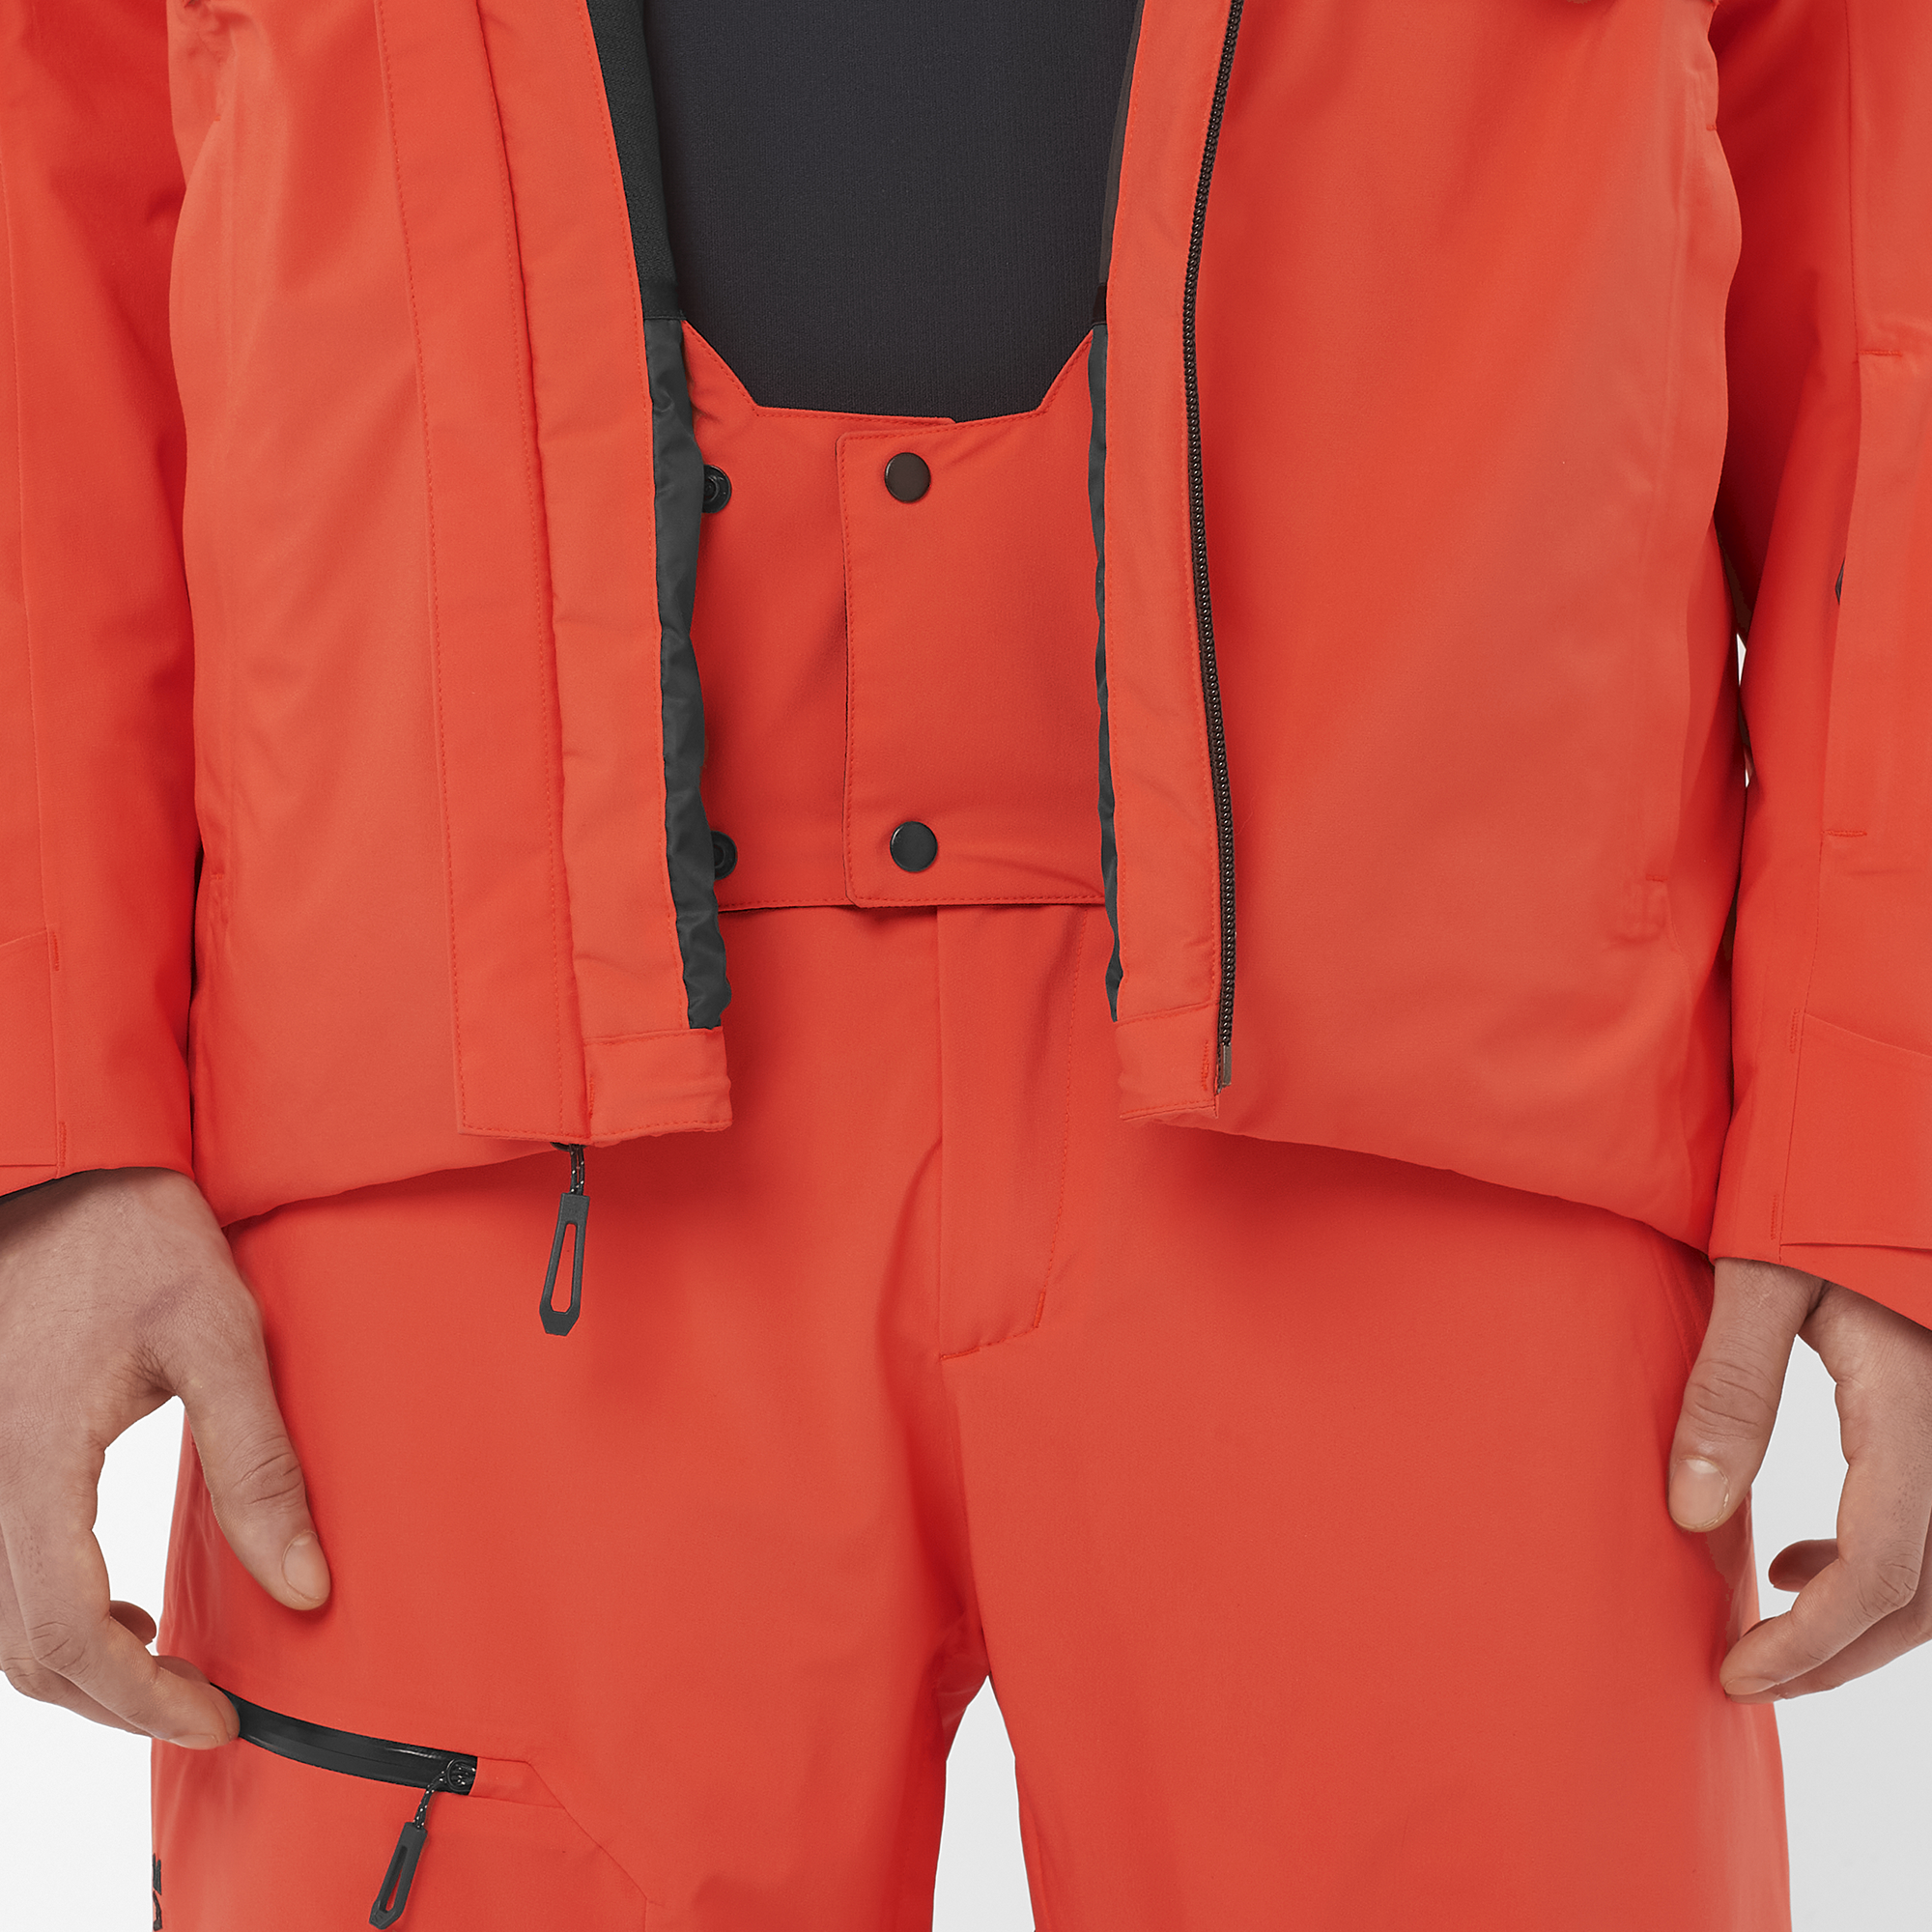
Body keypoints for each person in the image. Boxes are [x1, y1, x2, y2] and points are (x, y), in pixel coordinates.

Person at [1, 0, 1927, 1925]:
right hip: (488, 1048)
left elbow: (1884, 238)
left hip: (1425, 1047)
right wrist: (51, 1120)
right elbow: (48, 199)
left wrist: (1884, 1124)